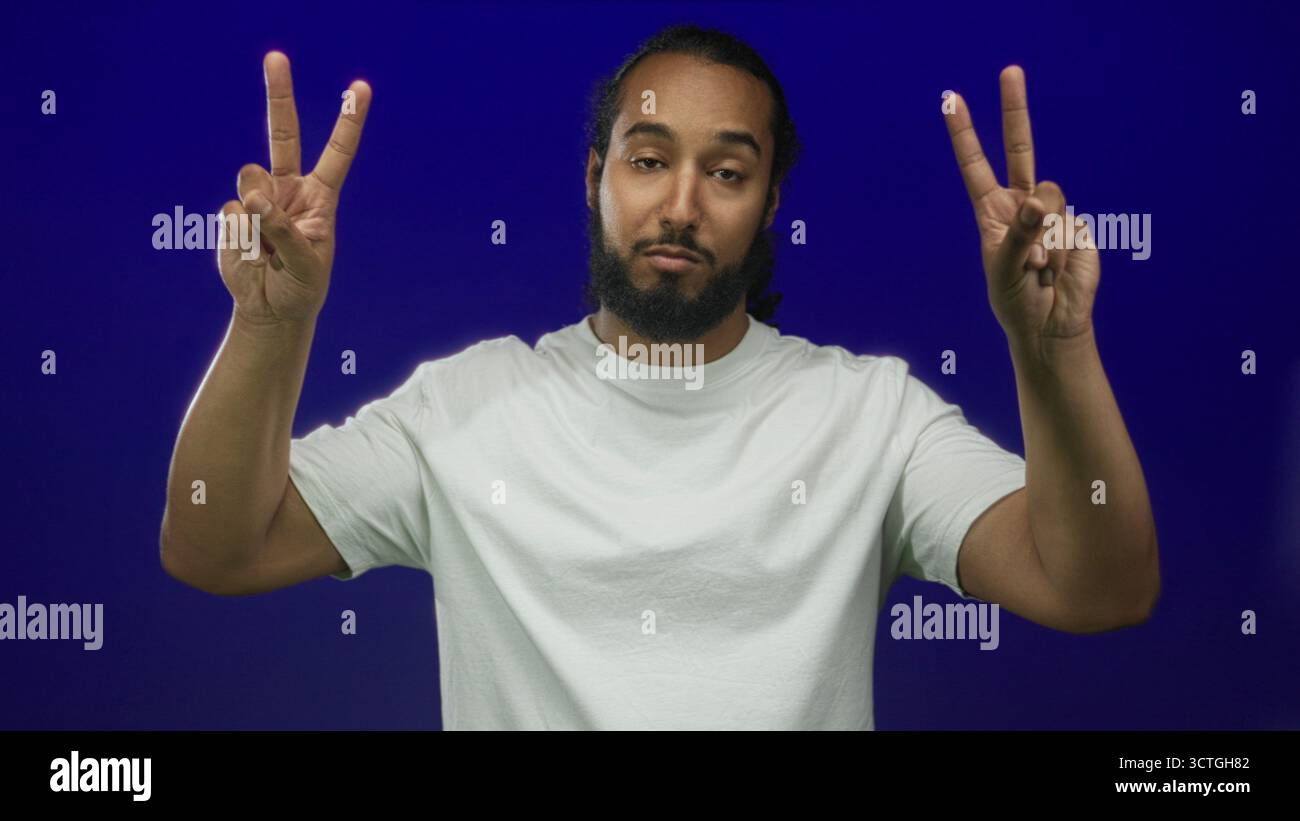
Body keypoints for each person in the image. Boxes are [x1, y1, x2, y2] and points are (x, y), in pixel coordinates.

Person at [160, 25, 1160, 730]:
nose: (680, 204)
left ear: (770, 205)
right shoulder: (463, 409)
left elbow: (1099, 585)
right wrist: (268, 324)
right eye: (647, 160)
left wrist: (1052, 346)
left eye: (727, 172)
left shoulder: (870, 416)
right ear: (594, 175)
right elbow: (216, 542)